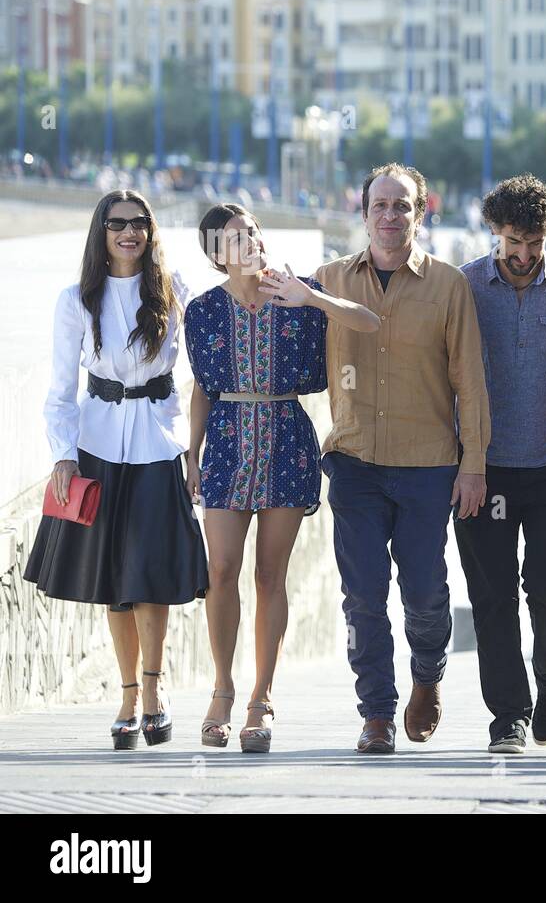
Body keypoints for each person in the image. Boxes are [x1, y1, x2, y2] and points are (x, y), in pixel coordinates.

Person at [186, 203, 379, 752]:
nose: (247, 242)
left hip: (285, 441)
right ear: (216, 256)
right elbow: (201, 386)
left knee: (271, 575)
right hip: (224, 441)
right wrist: (192, 453)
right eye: (231, 238)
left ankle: (260, 699)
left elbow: (367, 322)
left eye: (250, 231)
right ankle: (221, 689)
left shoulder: (298, 297)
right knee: (221, 570)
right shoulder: (200, 311)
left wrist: (311, 295)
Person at [315, 163, 491, 754]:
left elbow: (470, 379)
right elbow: (276, 335)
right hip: (355, 460)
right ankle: (376, 715)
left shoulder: (449, 286)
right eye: (380, 206)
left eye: (402, 206)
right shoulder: (328, 279)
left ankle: (427, 678)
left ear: (420, 213)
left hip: (427, 463)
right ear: (363, 214)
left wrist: (475, 463)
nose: (390, 216)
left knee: (425, 591)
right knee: (362, 594)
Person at [23, 190, 208, 749]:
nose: (129, 232)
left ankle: (154, 690)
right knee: (116, 586)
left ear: (151, 231)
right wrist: (62, 452)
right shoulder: (76, 300)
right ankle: (127, 696)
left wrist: (197, 452)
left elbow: (207, 368)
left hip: (158, 445)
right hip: (99, 447)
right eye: (117, 223)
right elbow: (59, 392)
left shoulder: (176, 292)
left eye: (138, 223)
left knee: (149, 578)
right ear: (100, 232)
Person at [455, 175, 546, 754]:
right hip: (483, 467)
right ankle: (508, 717)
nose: (523, 255)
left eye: (534, 243)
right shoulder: (465, 286)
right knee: (493, 597)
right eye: (514, 241)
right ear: (495, 231)